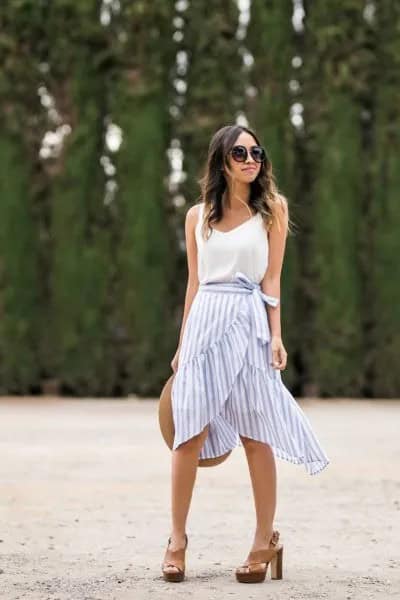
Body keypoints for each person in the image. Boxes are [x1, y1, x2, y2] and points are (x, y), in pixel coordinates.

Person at [161, 124, 330, 583]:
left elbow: (271, 281)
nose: (250, 158)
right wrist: (182, 345)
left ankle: (264, 540)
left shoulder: (273, 210)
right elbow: (194, 283)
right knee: (187, 433)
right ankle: (176, 540)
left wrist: (277, 335)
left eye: (257, 150)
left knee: (257, 435)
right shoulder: (197, 216)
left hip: (250, 321)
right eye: (239, 152)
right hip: (205, 325)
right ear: (222, 161)